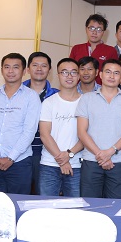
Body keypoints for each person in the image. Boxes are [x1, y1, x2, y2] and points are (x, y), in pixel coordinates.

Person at [0, 53, 41, 194]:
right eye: (7, 67)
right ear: (1, 70)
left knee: (17, 203)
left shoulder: (31, 97)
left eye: (16, 67)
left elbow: (29, 131)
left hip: (20, 163)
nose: (10, 71)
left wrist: (11, 157)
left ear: (24, 71)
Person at [76, 59, 121, 198]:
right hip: (91, 160)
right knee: (89, 205)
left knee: (115, 205)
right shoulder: (86, 99)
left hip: (118, 162)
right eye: (108, 72)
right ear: (101, 75)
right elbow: (81, 132)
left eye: (116, 73)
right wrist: (101, 155)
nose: (112, 76)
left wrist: (110, 152)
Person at [38, 58, 83, 197]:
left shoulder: (86, 102)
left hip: (77, 165)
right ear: (58, 75)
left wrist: (69, 155)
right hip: (49, 165)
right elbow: (44, 134)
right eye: (64, 72)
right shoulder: (48, 103)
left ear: (79, 75)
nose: (69, 76)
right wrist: (62, 161)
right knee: (46, 206)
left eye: (73, 72)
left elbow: (88, 135)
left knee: (76, 207)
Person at [23, 51, 59, 193]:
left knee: (42, 197)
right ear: (27, 69)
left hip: (46, 153)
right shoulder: (18, 92)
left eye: (44, 66)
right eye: (35, 65)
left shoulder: (57, 95)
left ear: (49, 70)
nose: (39, 69)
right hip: (20, 153)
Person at [69, 14, 118, 83]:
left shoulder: (111, 51)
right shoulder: (76, 49)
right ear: (86, 29)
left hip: (102, 88)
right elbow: (71, 71)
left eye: (99, 29)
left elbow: (115, 74)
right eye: (91, 28)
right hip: (78, 88)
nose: (94, 32)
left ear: (103, 32)